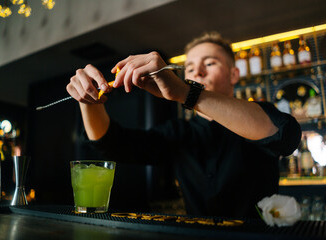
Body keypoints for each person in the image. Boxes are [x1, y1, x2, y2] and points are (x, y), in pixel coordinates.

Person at [66, 32, 301, 218]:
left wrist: (187, 93)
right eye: (189, 68)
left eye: (209, 63)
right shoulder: (178, 132)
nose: (196, 71)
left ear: (234, 74)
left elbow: (284, 135)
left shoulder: (258, 114)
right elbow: (113, 143)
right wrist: (88, 99)